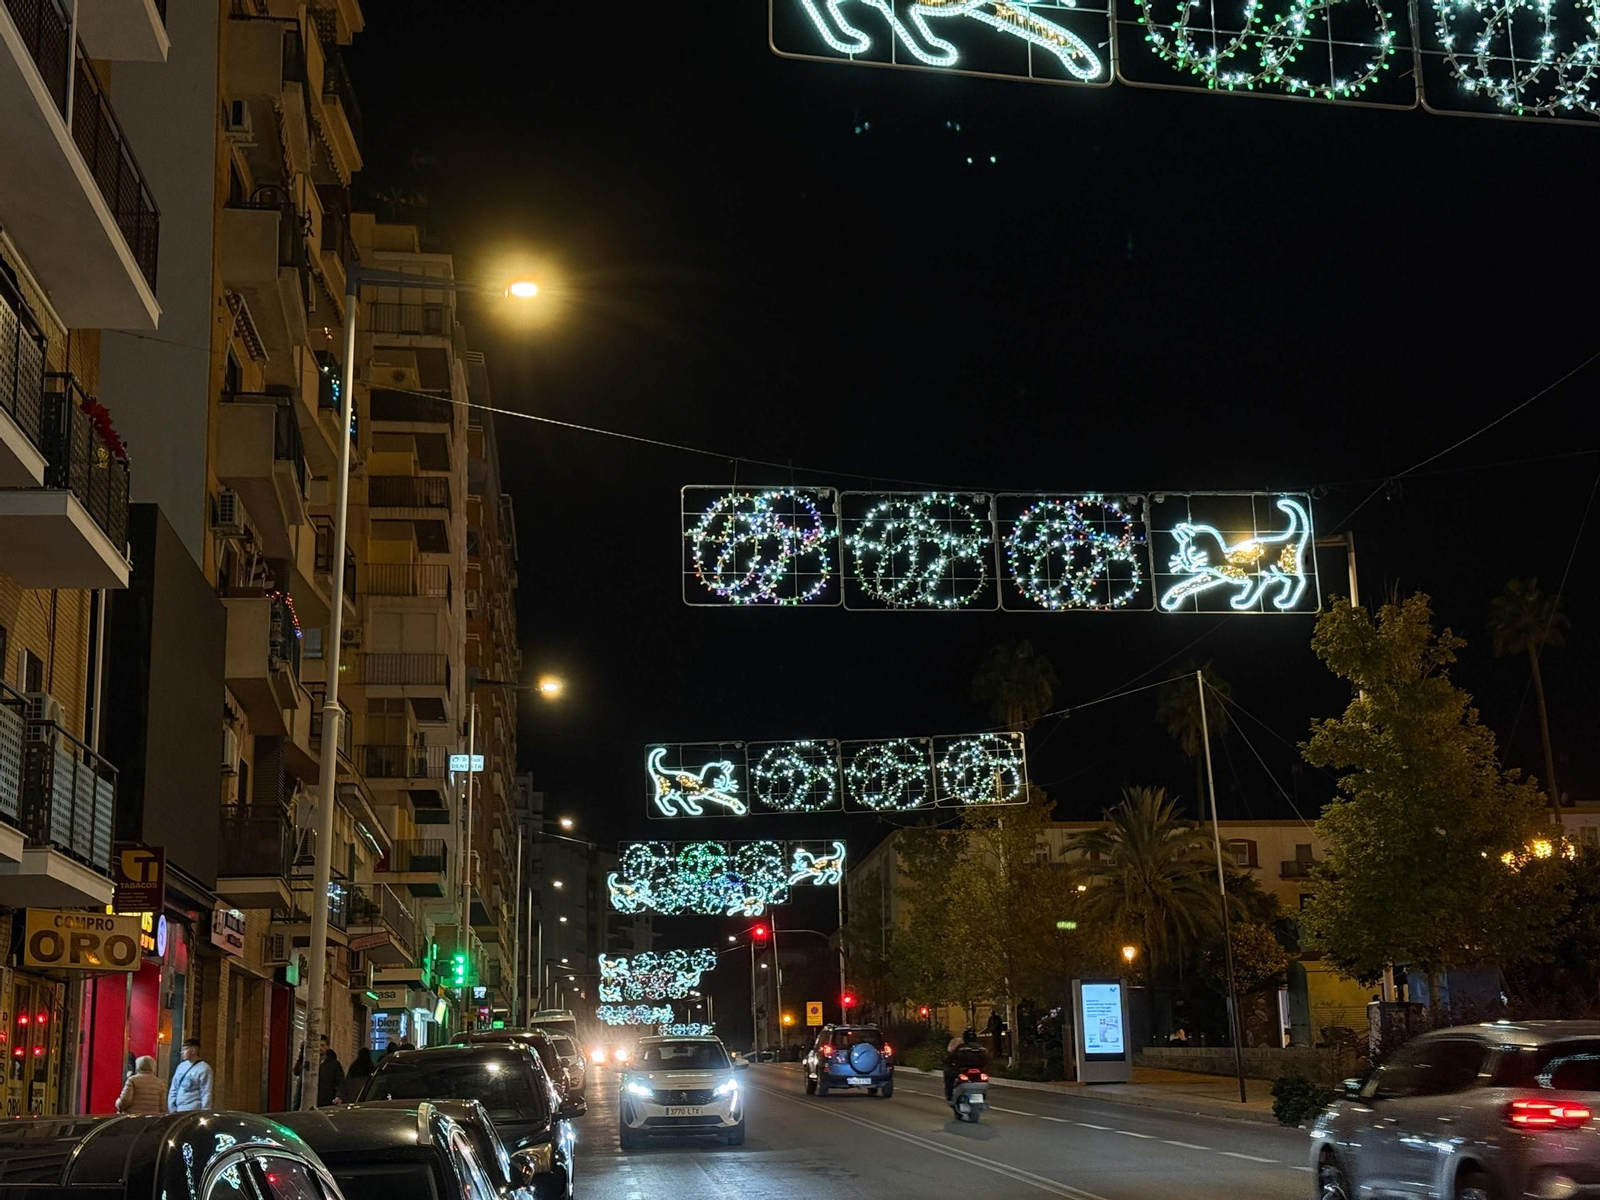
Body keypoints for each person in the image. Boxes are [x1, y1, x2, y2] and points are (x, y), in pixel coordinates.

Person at [943, 1027, 989, 1100]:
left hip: (964, 1070)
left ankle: (949, 1095)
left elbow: (950, 1058)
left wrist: (946, 1062)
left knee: (949, 1076)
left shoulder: (961, 1048)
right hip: (979, 1070)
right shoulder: (981, 1048)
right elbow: (987, 1059)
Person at [168, 1039, 213, 1112]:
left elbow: (205, 1092)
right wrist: (172, 1107)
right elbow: (174, 1087)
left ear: (194, 1050)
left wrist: (205, 1111)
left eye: (185, 1049)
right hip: (178, 1109)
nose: (182, 1052)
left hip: (193, 1109)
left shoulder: (204, 1069)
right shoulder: (181, 1066)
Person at [316, 1035, 345, 1108]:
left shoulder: (334, 1064)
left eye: (322, 1045)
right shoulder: (309, 1063)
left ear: (327, 1047)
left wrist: (339, 1096)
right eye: (318, 1045)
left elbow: (340, 1082)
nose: (320, 1048)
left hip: (327, 1102)